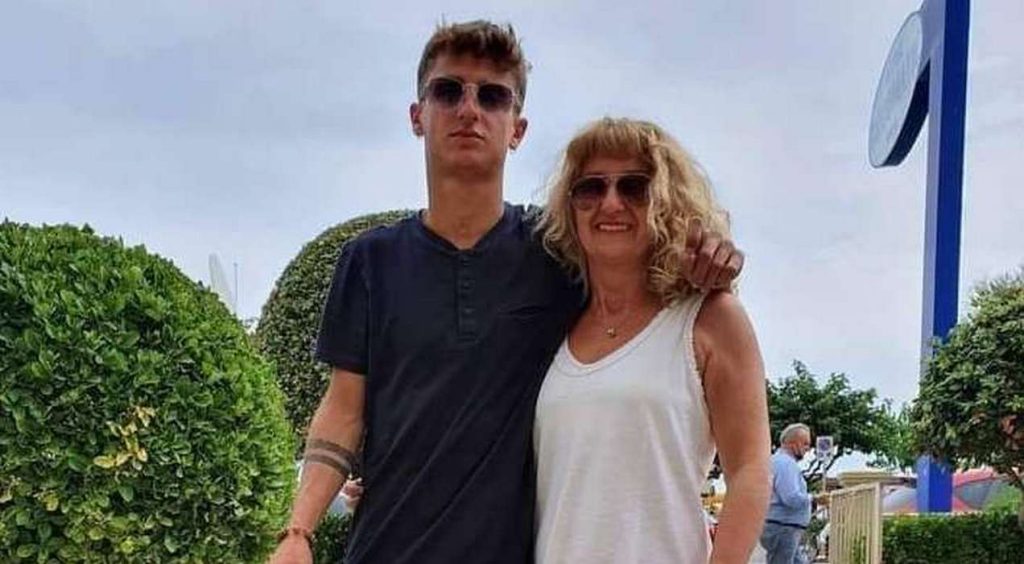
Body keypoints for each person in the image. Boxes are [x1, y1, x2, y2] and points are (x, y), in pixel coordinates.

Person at [268, 21, 743, 564]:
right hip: (384, 548)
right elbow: (343, 410)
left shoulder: (560, 253)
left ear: (516, 128)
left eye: (493, 96)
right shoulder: (369, 261)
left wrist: (709, 250)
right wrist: (298, 531)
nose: (469, 109)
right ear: (417, 116)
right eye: (448, 91)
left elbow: (642, 262)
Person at [531, 117, 771, 563]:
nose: (610, 203)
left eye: (634, 187)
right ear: (570, 208)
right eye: (590, 188)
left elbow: (750, 470)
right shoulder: (552, 326)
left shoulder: (709, 318)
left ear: (666, 200)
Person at [761, 423, 826, 564]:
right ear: (793, 443)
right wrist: (814, 498)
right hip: (783, 527)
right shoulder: (786, 464)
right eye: (805, 443)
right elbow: (791, 498)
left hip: (783, 526)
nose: (808, 448)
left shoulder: (778, 462)